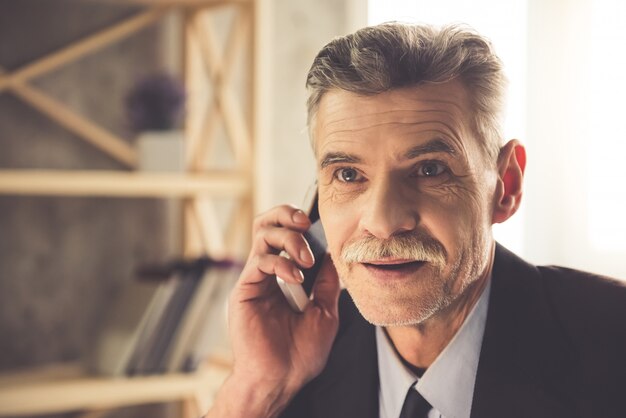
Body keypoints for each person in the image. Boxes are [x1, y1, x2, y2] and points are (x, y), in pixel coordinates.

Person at [205, 23, 626, 418]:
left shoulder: (613, 341)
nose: (383, 222)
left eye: (429, 170)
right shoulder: (296, 364)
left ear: (506, 185)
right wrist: (256, 386)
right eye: (349, 175)